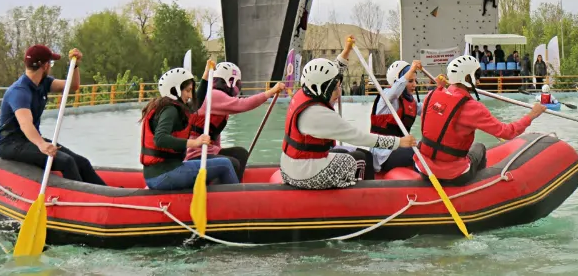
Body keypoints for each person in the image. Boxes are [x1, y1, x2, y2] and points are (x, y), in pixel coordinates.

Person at [280, 41, 415, 189]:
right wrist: (398, 142)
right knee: (361, 159)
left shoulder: (305, 92)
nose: (339, 93)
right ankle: (367, 195)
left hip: (291, 168)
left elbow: (332, 71)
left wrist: (346, 51)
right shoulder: (318, 114)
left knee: (351, 152)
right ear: (321, 88)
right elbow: (359, 137)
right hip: (306, 174)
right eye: (335, 89)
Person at [416, 55, 545, 185]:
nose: (478, 79)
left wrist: (440, 87)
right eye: (477, 75)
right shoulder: (473, 108)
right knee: (479, 147)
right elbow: (507, 132)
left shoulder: (431, 95)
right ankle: (480, 185)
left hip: (424, 168)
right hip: (453, 174)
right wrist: (532, 115)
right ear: (467, 78)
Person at [0, 45, 106, 186]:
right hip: (11, 144)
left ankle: (108, 194)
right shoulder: (19, 91)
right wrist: (41, 144)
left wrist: (75, 66)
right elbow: (25, 124)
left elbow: (72, 86)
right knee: (66, 162)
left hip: (30, 140)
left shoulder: (44, 83)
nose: (50, 67)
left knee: (82, 162)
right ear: (45, 65)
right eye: (51, 63)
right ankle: (77, 195)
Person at [141, 67, 238, 190]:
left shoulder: (170, 106)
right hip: (165, 175)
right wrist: (195, 142)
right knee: (225, 164)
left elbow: (196, 104)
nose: (190, 95)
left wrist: (206, 75)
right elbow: (160, 139)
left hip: (160, 174)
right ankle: (237, 199)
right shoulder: (170, 110)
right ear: (174, 90)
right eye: (187, 91)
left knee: (221, 164)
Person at [187, 62, 285, 181]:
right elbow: (244, 104)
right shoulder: (214, 95)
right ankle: (228, 188)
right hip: (196, 155)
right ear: (230, 82)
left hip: (209, 150)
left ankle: (233, 185)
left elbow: (214, 135)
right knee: (232, 163)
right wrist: (271, 92)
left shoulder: (219, 98)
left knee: (241, 154)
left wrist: (218, 151)